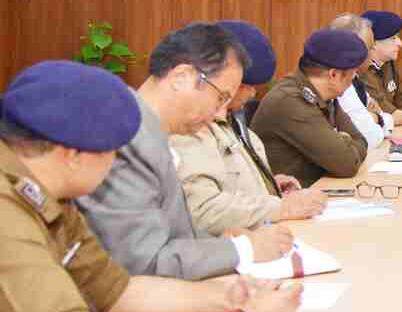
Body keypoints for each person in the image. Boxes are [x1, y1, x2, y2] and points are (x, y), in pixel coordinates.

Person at [0, 61, 302, 312]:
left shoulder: (47, 191)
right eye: (112, 153)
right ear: (73, 155)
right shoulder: (8, 213)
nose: (115, 166)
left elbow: (118, 291)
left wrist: (228, 297)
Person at [77, 23, 294, 280]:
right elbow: (144, 263)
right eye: (220, 97)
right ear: (181, 77)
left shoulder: (148, 130)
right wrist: (243, 250)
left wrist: (219, 243)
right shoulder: (126, 138)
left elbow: (170, 233)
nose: (220, 111)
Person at [170, 21, 329, 236]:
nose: (253, 94)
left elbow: (228, 181)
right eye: (247, 86)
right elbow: (204, 209)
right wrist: (283, 207)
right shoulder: (192, 124)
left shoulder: (233, 121)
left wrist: (267, 185)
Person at [251, 29, 371, 188]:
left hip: (317, 191)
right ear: (334, 75)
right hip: (290, 198)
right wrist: (344, 141)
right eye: (353, 72)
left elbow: (361, 141)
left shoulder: (326, 95)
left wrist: (343, 142)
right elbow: (347, 164)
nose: (354, 78)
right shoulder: (290, 101)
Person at [330, 13, 395, 148]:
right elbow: (369, 138)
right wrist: (376, 117)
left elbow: (388, 119)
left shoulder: (354, 79)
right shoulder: (341, 82)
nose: (372, 54)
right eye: (370, 48)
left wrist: (375, 117)